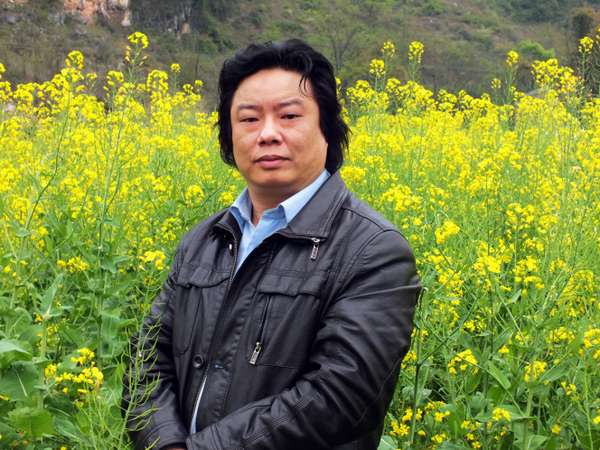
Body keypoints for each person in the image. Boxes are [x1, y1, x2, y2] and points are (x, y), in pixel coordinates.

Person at [122, 38, 421, 450]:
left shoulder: (373, 250)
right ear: (228, 135)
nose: (267, 134)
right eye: (248, 119)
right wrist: (164, 442)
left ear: (328, 128)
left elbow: (339, 396)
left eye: (289, 116)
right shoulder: (203, 241)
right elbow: (145, 359)